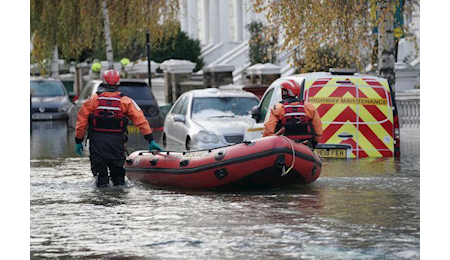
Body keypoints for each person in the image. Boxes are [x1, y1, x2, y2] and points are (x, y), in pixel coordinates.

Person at [75, 69, 162, 187]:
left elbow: (81, 121)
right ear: (118, 83)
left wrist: (78, 141)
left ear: (103, 82)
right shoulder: (126, 101)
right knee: (118, 179)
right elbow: (141, 120)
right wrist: (150, 140)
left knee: (100, 179)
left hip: (97, 144)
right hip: (117, 143)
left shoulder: (93, 100)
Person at [262, 79, 323, 149]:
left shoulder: (277, 108)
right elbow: (318, 131)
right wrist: (313, 143)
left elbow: (268, 130)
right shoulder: (308, 107)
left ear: (285, 92)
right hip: (305, 146)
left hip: (284, 147)